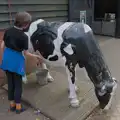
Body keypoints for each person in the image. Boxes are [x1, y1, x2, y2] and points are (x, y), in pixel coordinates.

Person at [0, 12, 42, 114]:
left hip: (7, 59)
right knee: (18, 85)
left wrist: (4, 56)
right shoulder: (24, 36)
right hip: (17, 61)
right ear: (26, 24)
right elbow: (26, 53)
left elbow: (2, 45)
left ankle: (12, 105)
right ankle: (18, 107)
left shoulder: (8, 31)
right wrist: (36, 56)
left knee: (10, 83)